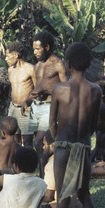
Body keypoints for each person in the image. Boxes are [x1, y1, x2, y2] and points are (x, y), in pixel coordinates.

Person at [49, 42, 103, 208]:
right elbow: (95, 123)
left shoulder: (59, 89)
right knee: (84, 194)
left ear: (68, 63)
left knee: (62, 197)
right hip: (83, 146)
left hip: (63, 146)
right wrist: (82, 139)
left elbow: (52, 123)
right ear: (88, 64)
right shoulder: (96, 90)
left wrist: (58, 140)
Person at [22, 31, 67, 178]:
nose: (34, 52)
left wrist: (46, 90)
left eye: (37, 48)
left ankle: (48, 177)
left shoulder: (58, 65)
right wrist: (27, 100)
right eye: (33, 48)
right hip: (36, 107)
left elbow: (66, 90)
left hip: (50, 107)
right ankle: (44, 175)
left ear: (47, 47)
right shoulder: (37, 66)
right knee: (40, 145)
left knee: (39, 142)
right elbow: (37, 89)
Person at [42, 130, 83, 208]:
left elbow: (49, 196)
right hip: (77, 203)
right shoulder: (74, 158)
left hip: (62, 205)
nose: (43, 147)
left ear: (52, 146)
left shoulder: (51, 165)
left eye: (44, 144)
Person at [5, 41, 36, 148]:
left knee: (27, 141)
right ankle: (16, 163)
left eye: (7, 56)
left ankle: (28, 163)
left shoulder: (30, 69)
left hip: (26, 109)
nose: (6, 59)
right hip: (13, 108)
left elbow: (37, 89)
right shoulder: (10, 70)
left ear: (16, 55)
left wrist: (28, 101)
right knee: (13, 139)